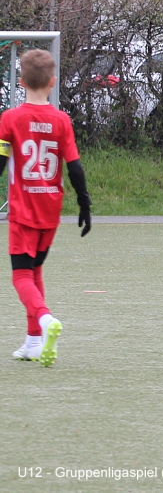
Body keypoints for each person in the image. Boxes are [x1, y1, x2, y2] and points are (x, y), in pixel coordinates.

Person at [1, 49, 91, 366]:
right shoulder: (61, 120)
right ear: (52, 82)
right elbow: (75, 167)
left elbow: (0, 160)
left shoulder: (10, 119)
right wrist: (84, 203)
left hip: (23, 211)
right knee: (35, 270)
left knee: (20, 277)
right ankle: (33, 342)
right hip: (50, 210)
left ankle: (45, 319)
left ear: (21, 81)